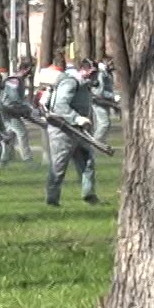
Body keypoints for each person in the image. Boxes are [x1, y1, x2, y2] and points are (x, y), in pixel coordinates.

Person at [45, 59, 107, 207]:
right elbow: (60, 105)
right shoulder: (71, 82)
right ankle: (52, 200)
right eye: (92, 73)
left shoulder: (85, 85)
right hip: (62, 130)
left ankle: (89, 195)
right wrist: (77, 118)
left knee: (87, 163)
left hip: (79, 131)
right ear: (83, 70)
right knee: (58, 166)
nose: (94, 76)